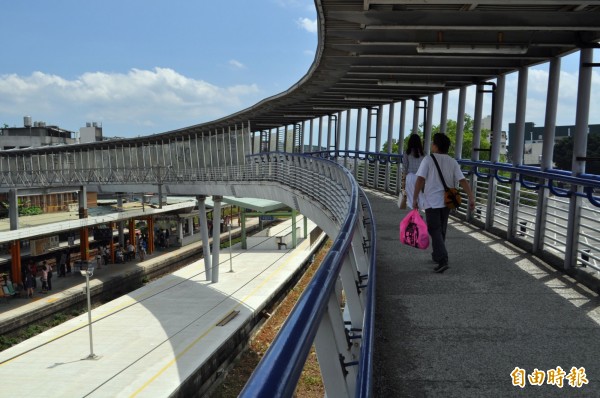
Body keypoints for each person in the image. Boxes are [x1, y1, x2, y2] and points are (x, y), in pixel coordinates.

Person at [413, 133, 475, 273]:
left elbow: (420, 180)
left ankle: (443, 259)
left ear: (436, 145)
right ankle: (437, 255)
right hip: (448, 201)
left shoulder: (428, 160)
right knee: (440, 230)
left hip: (432, 201)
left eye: (433, 143)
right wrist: (471, 197)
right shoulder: (452, 161)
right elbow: (463, 180)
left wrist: (415, 197)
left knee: (434, 229)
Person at [402, 134, 426, 209]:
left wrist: (403, 181)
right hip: (421, 178)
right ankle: (417, 216)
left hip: (410, 177)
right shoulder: (423, 153)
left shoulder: (407, 152)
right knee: (420, 197)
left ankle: (414, 216)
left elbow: (405, 167)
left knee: (412, 199)